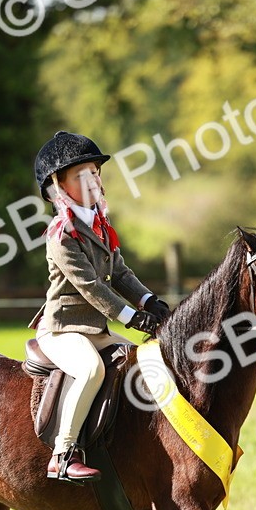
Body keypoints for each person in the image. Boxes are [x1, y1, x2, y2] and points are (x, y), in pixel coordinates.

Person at [29, 131, 171, 483]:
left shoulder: (100, 225)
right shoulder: (61, 234)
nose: (92, 179)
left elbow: (120, 273)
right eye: (81, 175)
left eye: (94, 172)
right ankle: (63, 454)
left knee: (144, 361)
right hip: (63, 329)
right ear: (58, 187)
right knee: (91, 370)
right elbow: (91, 287)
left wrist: (149, 300)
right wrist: (132, 317)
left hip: (95, 329)